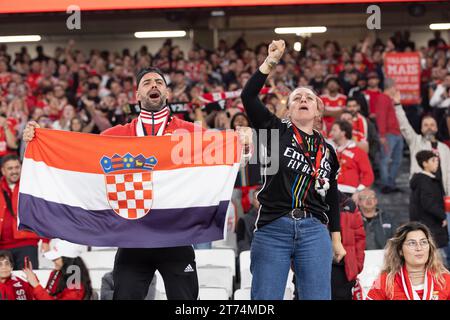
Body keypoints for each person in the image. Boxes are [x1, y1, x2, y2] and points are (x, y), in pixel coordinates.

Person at [23, 67, 252, 300]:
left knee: (186, 304)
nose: (153, 85)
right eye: (147, 83)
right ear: (137, 96)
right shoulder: (116, 136)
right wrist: (40, 138)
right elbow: (79, 156)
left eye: (159, 82)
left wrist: (242, 147)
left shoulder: (191, 134)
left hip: (176, 236)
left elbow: (224, 162)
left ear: (167, 93)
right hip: (132, 238)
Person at [241, 39, 346, 300]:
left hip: (314, 229)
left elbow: (331, 196)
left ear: (318, 110)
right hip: (274, 226)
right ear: (288, 109)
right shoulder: (274, 131)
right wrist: (270, 62)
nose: (302, 99)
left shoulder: (329, 151)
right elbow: (248, 96)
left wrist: (336, 238)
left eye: (308, 97)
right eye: (296, 97)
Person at [366, 222, 450, 300]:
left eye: (423, 242)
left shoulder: (445, 279)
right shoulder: (385, 281)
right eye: (412, 243)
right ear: (400, 251)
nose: (419, 248)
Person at [394, 88, 450, 196]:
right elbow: (404, 126)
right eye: (426, 125)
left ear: (437, 128)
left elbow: (448, 172)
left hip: (441, 192)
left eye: (432, 125)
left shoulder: (444, 148)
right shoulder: (416, 141)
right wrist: (397, 106)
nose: (429, 128)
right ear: (421, 129)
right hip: (421, 192)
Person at [0, 154, 50, 269]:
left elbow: (43, 213)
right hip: (2, 247)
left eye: (17, 167)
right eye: (10, 168)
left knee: (28, 282)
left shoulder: (31, 186)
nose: (14, 171)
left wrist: (46, 240)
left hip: (27, 244)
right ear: (3, 171)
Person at [22, 239, 94, 300]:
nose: (53, 261)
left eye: (56, 258)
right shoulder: (56, 272)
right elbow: (46, 296)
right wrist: (33, 281)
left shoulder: (75, 280)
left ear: (68, 260)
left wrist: (36, 285)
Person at [410, 150, 449, 262]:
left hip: (429, 224)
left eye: (437, 160)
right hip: (429, 225)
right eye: (433, 160)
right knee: (437, 260)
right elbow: (428, 203)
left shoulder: (427, 179)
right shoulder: (425, 181)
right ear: (424, 163)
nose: (436, 163)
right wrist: (443, 216)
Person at [331, 192, 365, 300]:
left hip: (342, 269)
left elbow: (359, 237)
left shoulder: (349, 204)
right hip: (312, 267)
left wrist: (356, 265)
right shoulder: (306, 201)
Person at [329, 120, 374, 196]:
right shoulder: (328, 150)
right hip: (330, 190)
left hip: (350, 192)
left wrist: (359, 191)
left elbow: (368, 175)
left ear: (343, 133)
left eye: (334, 130)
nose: (331, 133)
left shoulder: (358, 152)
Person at [374, 79, 404, 194]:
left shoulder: (389, 99)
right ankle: (386, 184)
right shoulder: (383, 98)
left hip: (396, 133)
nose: (396, 89)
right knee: (385, 160)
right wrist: (382, 135)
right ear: (390, 87)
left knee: (396, 160)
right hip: (389, 134)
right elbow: (380, 117)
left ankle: (390, 183)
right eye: (395, 87)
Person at [236, 187, 260, 255]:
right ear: (253, 201)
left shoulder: (275, 220)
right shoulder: (243, 220)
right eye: (258, 199)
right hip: (250, 257)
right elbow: (242, 244)